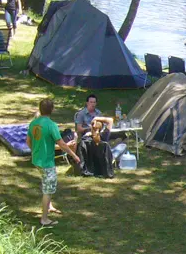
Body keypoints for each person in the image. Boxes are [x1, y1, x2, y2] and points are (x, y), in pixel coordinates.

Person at [28, 98, 80, 226]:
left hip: (36, 160)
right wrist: (74, 155)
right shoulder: (51, 125)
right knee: (48, 189)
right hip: (46, 162)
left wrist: (35, 151)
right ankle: (44, 219)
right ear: (52, 110)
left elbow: (28, 141)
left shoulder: (33, 123)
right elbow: (61, 143)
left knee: (46, 182)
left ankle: (49, 206)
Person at [73, 94, 121, 177]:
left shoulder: (98, 113)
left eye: (94, 102)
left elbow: (104, 123)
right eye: (91, 102)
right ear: (87, 103)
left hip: (98, 134)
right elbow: (79, 128)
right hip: (87, 135)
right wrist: (90, 128)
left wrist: (96, 119)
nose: (93, 104)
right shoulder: (81, 114)